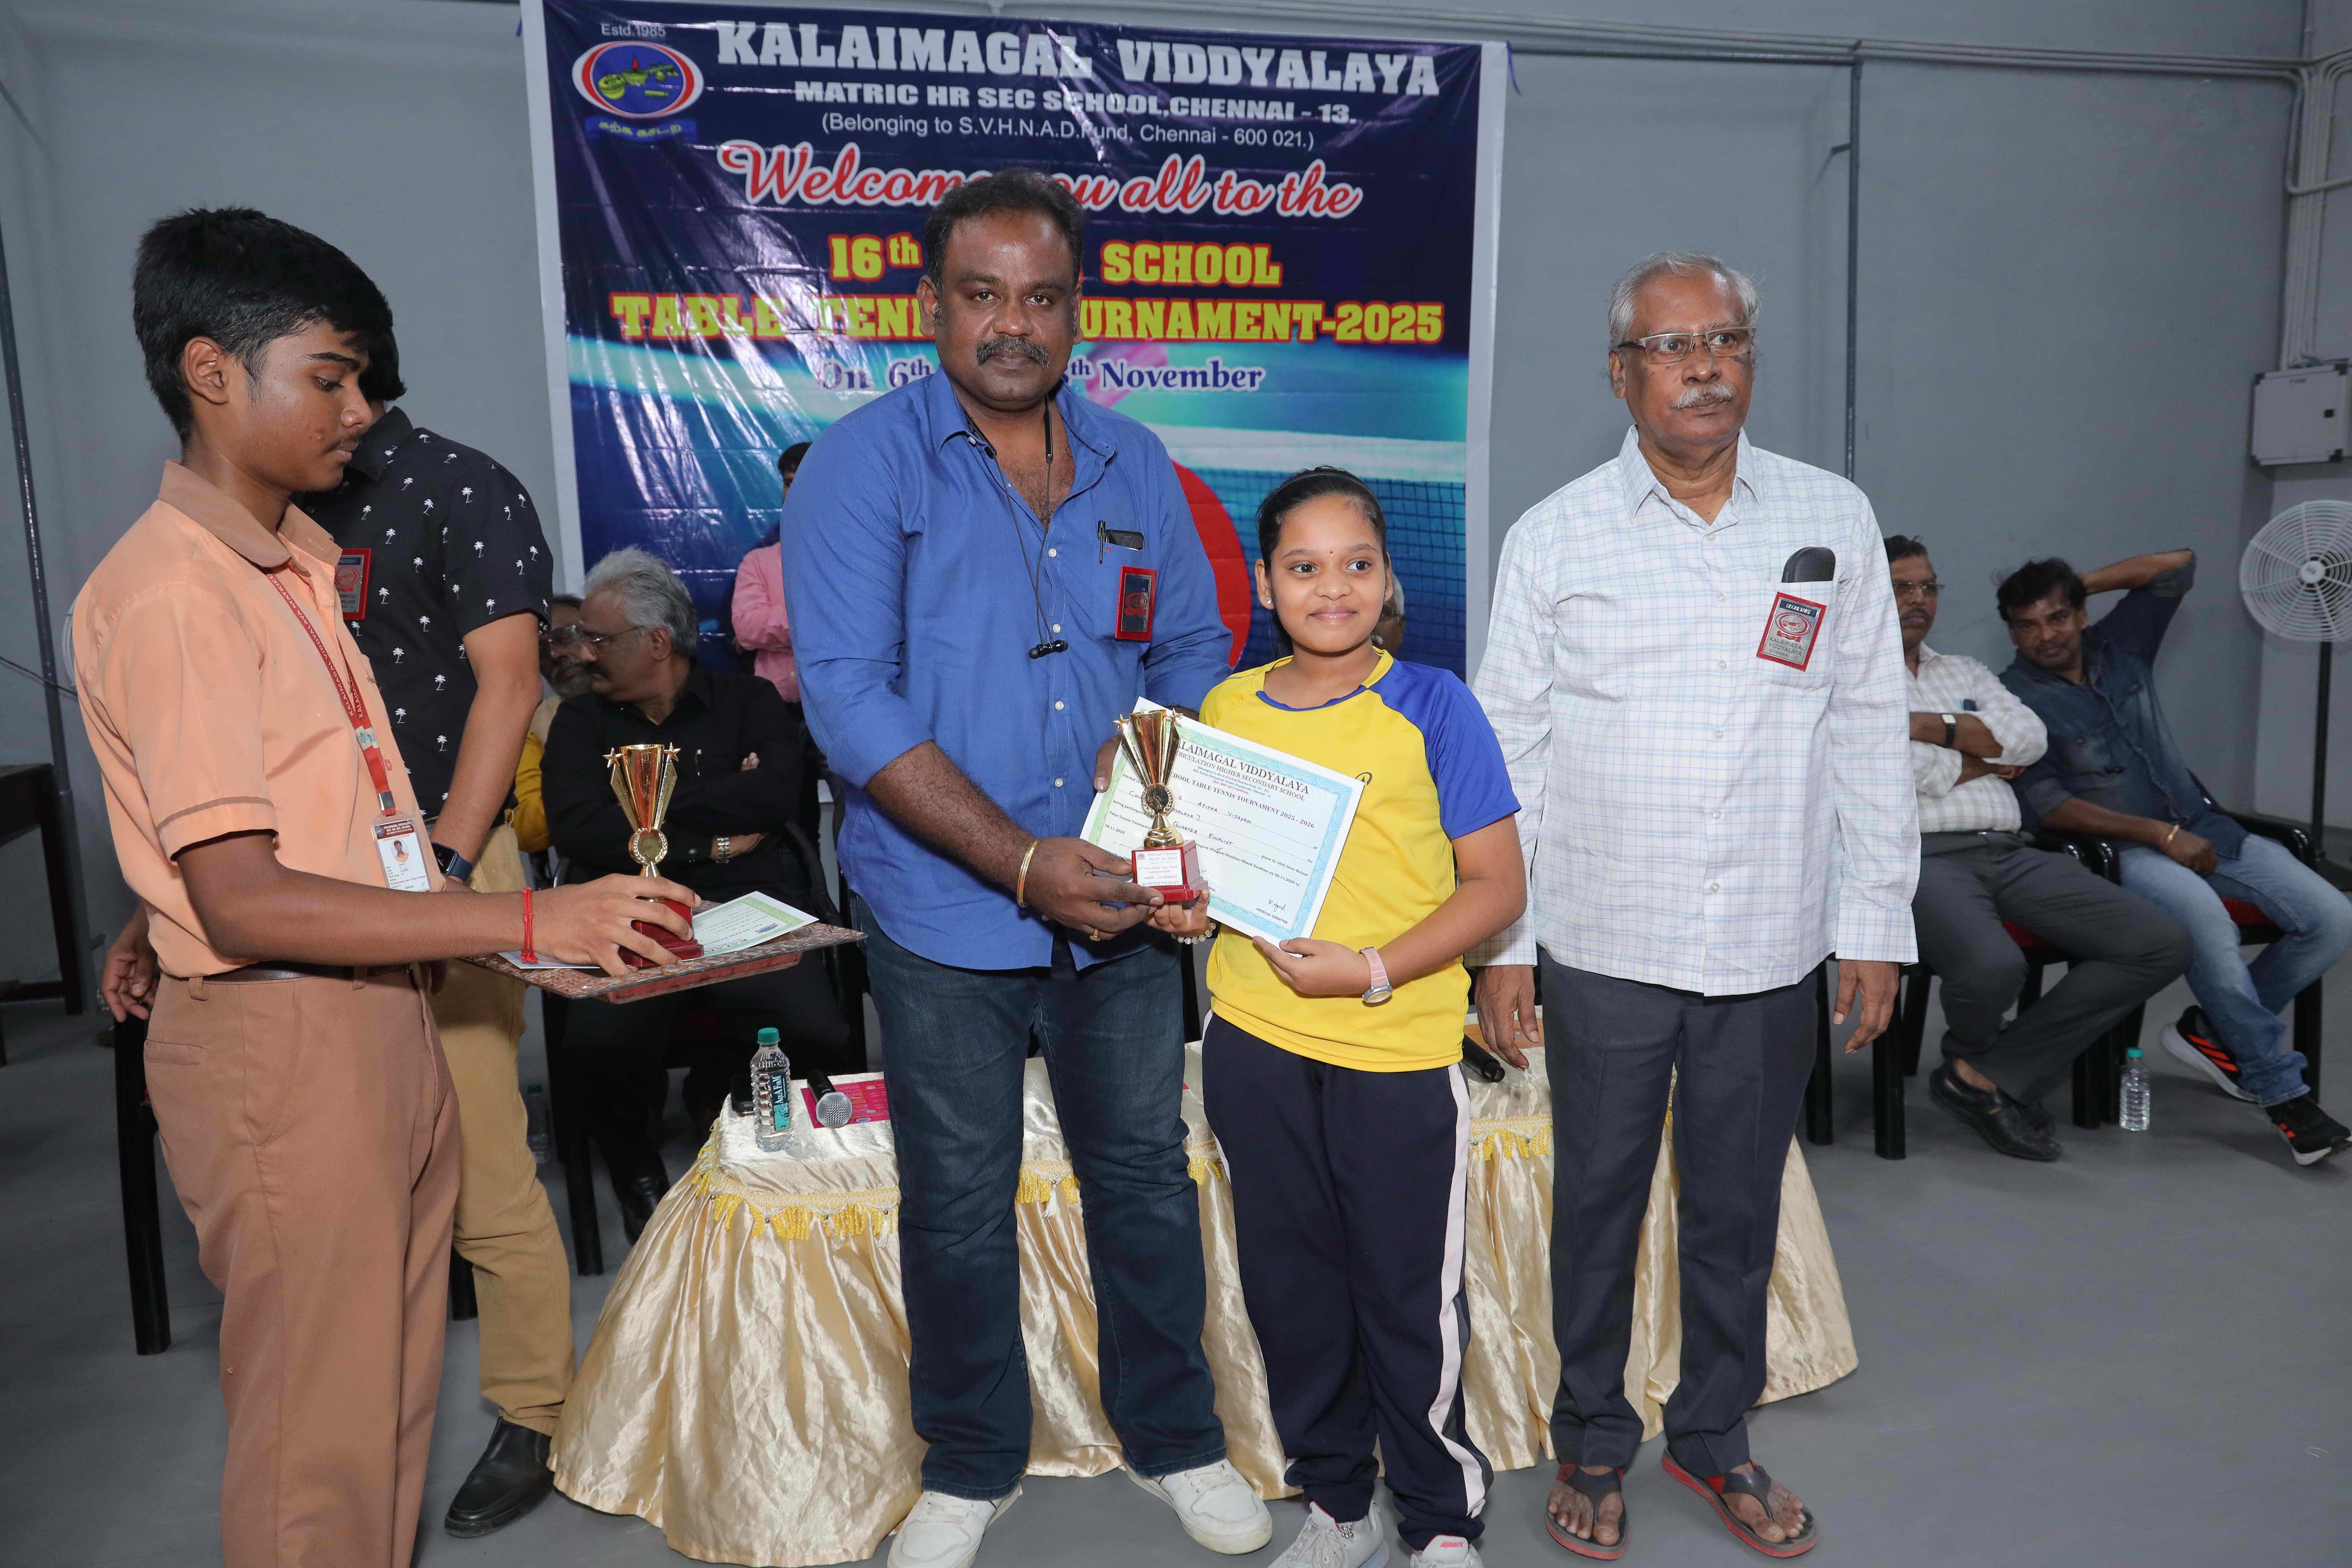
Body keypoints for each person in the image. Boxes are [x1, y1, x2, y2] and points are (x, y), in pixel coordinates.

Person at [81, 206, 694, 1568]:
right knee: (321, 1460)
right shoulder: (181, 591)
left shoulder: (290, 560)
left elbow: (304, 804)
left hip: (377, 1005)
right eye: (333, 377)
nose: (364, 408)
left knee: (382, 1427)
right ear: (213, 372)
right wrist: (525, 915)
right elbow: (241, 898)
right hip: (286, 1032)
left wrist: (153, 887)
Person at [781, 169, 1271, 1568]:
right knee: (954, 1185)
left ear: (1077, 310)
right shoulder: (864, 468)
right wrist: (1021, 862)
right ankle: (973, 1457)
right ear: (932, 306)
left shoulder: (1135, 462)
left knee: (1142, 1169)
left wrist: (1133, 826)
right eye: (981, 295)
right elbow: (852, 704)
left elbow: (1188, 650)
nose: (1012, 324)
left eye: (1040, 297)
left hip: (1117, 907)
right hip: (945, 910)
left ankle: (1176, 1437)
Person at [1470, 252, 1917, 1559]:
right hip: (1601, 940)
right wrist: (1501, 940)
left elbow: (1862, 732)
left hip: (1771, 939)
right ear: (1621, 374)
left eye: (1722, 339)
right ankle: (1592, 1435)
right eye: (1669, 346)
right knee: (1595, 1205)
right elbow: (1513, 751)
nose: (1702, 364)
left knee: (1734, 1210)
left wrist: (1872, 923)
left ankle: (1714, 1435)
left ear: (1748, 362)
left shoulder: (1827, 515)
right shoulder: (1554, 535)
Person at [1153, 469, 1523, 1568]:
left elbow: (1495, 886)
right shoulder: (1221, 709)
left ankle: (1439, 1519)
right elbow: (1207, 879)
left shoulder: (1434, 704)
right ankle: (1336, 1501)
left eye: (1355, 563)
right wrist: (1182, 905)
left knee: (1407, 1298)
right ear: (1267, 583)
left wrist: (1368, 966)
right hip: (1254, 1046)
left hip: (1394, 1047)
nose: (1332, 587)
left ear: (1386, 578)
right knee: (1293, 1292)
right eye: (1304, 566)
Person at [301, 327, 572, 1538]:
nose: (333, 405)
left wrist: (448, 873)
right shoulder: (285, 512)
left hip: (443, 854)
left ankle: (539, 1410)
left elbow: (509, 690)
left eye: (335, 379)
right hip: (307, 872)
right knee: (351, 1165)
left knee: (479, 1156)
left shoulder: (462, 487)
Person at [542, 547, 855, 1240]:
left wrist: (648, 812)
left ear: (657, 642)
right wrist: (709, 836)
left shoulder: (748, 701)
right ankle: (637, 1168)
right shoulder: (579, 723)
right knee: (598, 1049)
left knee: (815, 1027)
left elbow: (775, 794)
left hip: (750, 900)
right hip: (631, 907)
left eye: (600, 638)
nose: (584, 653)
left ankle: (753, 1121)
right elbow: (579, 825)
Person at [1998, 552, 2352, 1164]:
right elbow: (2048, 806)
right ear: (2011, 632)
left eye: (2058, 617)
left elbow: (2179, 567)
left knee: (2333, 918)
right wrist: (2159, 836)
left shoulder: (2121, 647)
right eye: (2027, 625)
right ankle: (2283, 1095)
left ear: (2082, 614)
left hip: (2208, 828)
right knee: (2209, 926)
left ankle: (2213, 1035)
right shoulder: (2014, 699)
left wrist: (2088, 581)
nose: (2045, 636)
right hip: (2123, 855)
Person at [1885, 536, 2191, 1160]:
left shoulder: (1966, 672)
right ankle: (1980, 1066)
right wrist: (1978, 755)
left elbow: (2029, 740)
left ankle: (1985, 1075)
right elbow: (1890, 772)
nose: (1918, 600)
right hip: (1922, 857)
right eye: (1900, 587)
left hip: (2012, 848)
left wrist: (1932, 731)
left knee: (2159, 942)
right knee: (1996, 966)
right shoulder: (1847, 679)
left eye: (1927, 586)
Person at [732, 442, 823, 840]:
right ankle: (802, 904)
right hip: (776, 714)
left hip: (836, 704)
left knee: (859, 821)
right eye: (788, 482)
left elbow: (870, 626)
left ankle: (844, 904)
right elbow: (747, 629)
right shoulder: (759, 562)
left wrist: (778, 629)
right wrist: (813, 621)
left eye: (804, 479)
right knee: (788, 824)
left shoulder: (852, 557)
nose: (795, 490)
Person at [513, 594, 589, 867]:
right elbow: (527, 828)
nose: (555, 655)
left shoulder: (647, 699)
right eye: (541, 650)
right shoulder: (535, 722)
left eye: (566, 637)